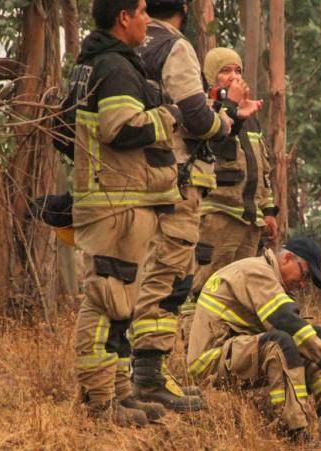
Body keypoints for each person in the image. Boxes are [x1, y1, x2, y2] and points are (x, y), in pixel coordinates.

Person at [128, 0, 248, 413]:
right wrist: (227, 118)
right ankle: (148, 377)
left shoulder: (125, 44)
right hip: (175, 178)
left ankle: (131, 373)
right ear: (183, 8)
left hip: (130, 178)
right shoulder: (173, 46)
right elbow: (197, 119)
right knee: (170, 274)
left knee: (135, 274)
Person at [71, 0, 182, 427]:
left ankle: (118, 393)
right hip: (115, 201)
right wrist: (166, 116)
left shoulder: (93, 63)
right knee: (105, 301)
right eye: (140, 12)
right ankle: (101, 401)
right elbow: (120, 128)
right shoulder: (114, 67)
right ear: (123, 18)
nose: (146, 21)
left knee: (120, 304)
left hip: (114, 198)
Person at [186, 237, 321, 444]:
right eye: (305, 275)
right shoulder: (257, 271)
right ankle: (295, 431)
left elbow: (298, 330)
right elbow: (284, 320)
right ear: (288, 258)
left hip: (234, 352)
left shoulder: (266, 273)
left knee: (317, 336)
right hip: (208, 362)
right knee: (281, 342)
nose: (304, 285)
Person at [178, 47, 278, 345]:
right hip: (218, 216)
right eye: (226, 71)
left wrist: (269, 210)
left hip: (249, 219)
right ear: (210, 76)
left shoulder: (252, 117)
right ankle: (194, 352)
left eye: (238, 71)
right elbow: (212, 143)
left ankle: (227, 351)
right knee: (204, 283)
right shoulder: (203, 111)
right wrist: (230, 109)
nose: (234, 77)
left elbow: (264, 167)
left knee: (239, 288)